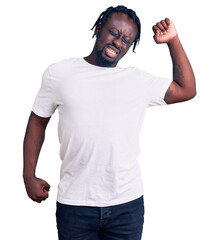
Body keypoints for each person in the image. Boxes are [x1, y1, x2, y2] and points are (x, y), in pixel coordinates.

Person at [23, 5, 196, 240]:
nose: (118, 42)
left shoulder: (137, 80)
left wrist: (173, 41)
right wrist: (28, 175)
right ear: (98, 29)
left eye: (127, 40)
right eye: (114, 33)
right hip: (75, 204)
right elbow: (37, 122)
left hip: (126, 205)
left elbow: (187, 90)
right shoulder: (59, 73)